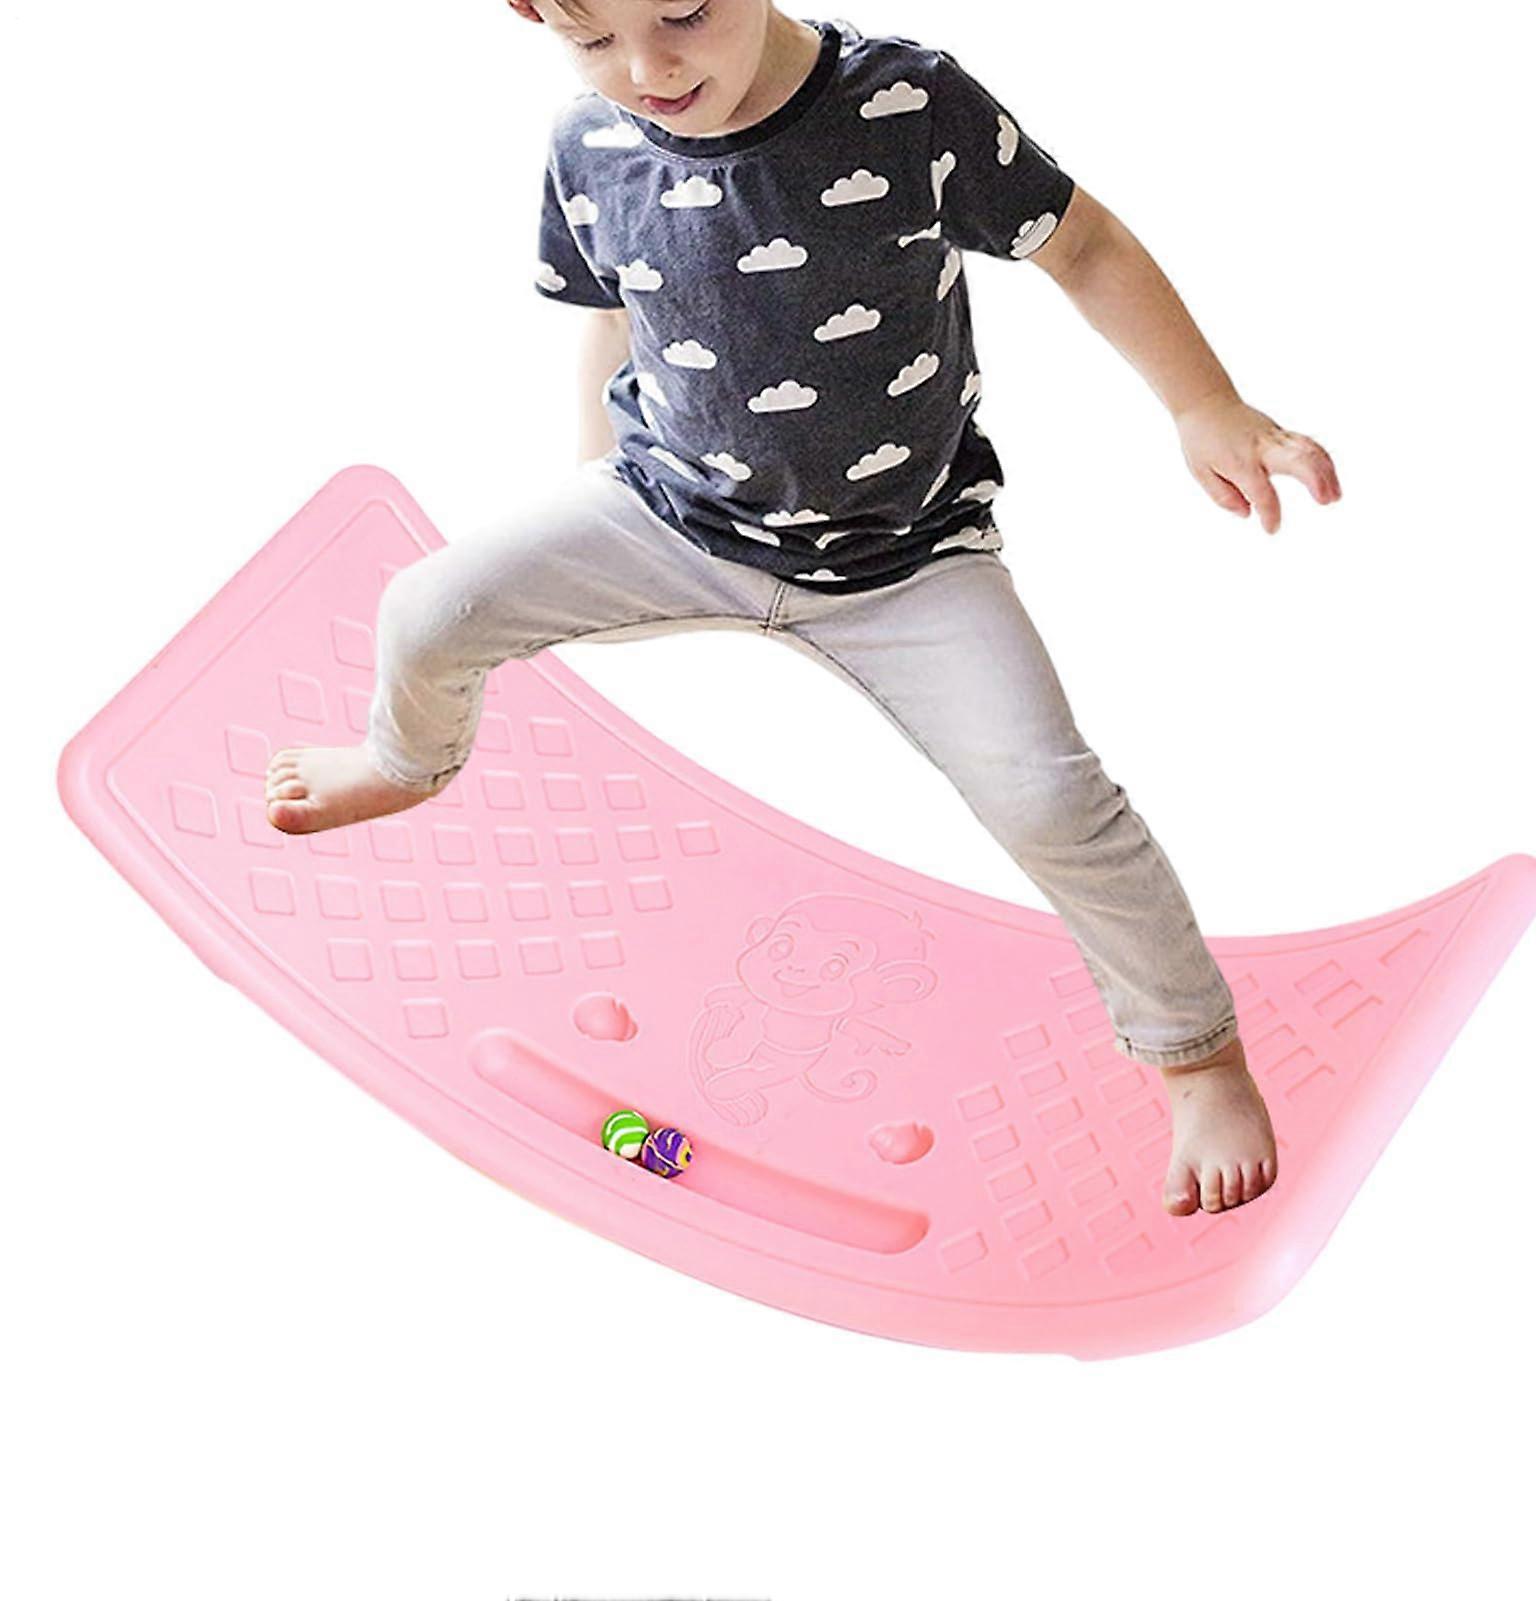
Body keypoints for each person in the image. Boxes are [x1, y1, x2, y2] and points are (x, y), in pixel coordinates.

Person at [265, 1, 1343, 1217]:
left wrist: (1204, 406)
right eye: (593, 40)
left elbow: (1081, 245)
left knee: (1052, 799)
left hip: (908, 559)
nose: (646, 68)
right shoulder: (588, 139)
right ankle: (404, 759)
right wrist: (587, 477)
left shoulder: (905, 103)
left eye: (682, 12)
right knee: (426, 607)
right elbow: (613, 306)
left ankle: (1194, 1056)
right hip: (672, 517)